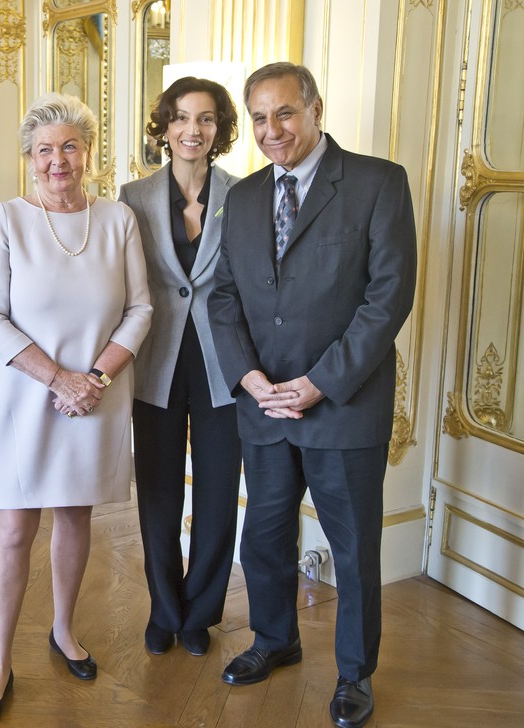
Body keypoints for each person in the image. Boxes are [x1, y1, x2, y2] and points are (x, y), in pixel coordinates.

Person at [207, 62, 417, 728]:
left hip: (344, 406)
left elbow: (387, 300)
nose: (272, 131)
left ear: (316, 108)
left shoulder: (378, 182)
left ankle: (354, 674)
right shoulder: (239, 198)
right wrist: (251, 379)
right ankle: (275, 640)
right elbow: (224, 297)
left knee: (352, 549)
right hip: (264, 408)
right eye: (260, 118)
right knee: (263, 538)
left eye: (286, 114)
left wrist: (319, 383)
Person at [0, 93, 152, 725]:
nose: (58, 161)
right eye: (45, 150)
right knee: (16, 528)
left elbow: (141, 309)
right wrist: (58, 379)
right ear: (29, 159)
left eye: (70, 146)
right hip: (24, 397)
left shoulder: (118, 220)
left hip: (96, 398)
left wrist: (94, 378)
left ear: (89, 153)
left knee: (76, 516)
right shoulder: (5, 220)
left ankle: (64, 630)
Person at [118, 77, 243, 657]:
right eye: (182, 118)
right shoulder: (132, 196)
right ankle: (164, 610)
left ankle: (200, 613)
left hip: (225, 365)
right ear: (164, 127)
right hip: (157, 362)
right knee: (160, 497)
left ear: (220, 130)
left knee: (218, 495)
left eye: (207, 119)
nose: (194, 130)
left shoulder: (243, 195)